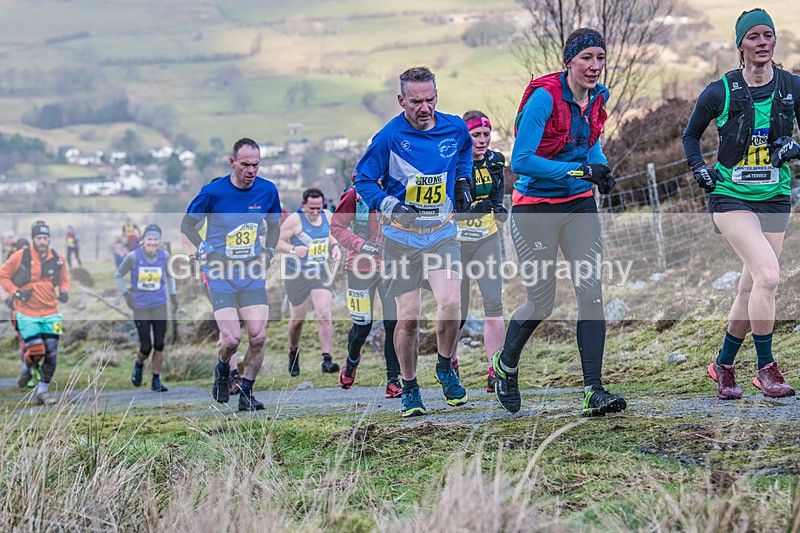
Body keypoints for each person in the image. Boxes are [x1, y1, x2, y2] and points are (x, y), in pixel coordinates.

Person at [493, 28, 626, 417]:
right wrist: (577, 170)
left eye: (600, 58)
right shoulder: (543, 98)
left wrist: (598, 168)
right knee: (542, 301)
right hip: (536, 207)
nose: (594, 66)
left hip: (579, 206)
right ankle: (506, 364)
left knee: (591, 290)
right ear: (568, 61)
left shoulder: (598, 96)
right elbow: (520, 162)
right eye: (586, 58)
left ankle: (593, 391)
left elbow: (590, 141)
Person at [682, 8, 800, 400]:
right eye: (754, 37)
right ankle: (766, 369)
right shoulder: (721, 91)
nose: (762, 42)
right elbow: (690, 136)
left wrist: (795, 147)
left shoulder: (792, 86)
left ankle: (724, 366)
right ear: (741, 46)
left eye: (768, 35)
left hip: (775, 196)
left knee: (751, 286)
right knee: (767, 275)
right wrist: (700, 168)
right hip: (731, 195)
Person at [354, 66, 473, 417]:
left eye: (431, 99)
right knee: (408, 319)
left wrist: (463, 182)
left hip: (441, 233)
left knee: (451, 301)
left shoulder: (455, 127)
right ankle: (409, 386)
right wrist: (392, 206)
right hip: (401, 239)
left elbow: (464, 152)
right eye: (417, 102)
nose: (425, 108)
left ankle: (445, 366)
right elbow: (363, 181)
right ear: (401, 100)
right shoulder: (388, 137)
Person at [181, 137, 282, 411]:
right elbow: (188, 225)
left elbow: (274, 227)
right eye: (246, 165)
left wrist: (269, 252)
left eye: (256, 165)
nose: (251, 171)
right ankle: (222, 368)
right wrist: (205, 249)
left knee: (258, 336)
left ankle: (247, 392)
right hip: (219, 274)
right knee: (231, 339)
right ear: (232, 163)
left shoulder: (267, 191)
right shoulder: (213, 192)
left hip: (251, 272)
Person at [331, 171, 402, 398]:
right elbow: (337, 228)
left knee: (393, 324)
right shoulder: (354, 193)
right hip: (359, 268)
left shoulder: (396, 188)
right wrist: (361, 245)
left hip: (390, 267)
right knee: (362, 326)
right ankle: (352, 360)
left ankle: (393, 380)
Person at [451, 110, 508, 393]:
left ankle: (495, 370)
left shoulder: (497, 160)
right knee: (456, 311)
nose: (482, 140)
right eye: (476, 135)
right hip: (456, 243)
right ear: (466, 136)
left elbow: (497, 197)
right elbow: (452, 208)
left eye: (486, 134)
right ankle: (449, 363)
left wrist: (499, 209)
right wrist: (478, 208)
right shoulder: (452, 164)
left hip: (487, 239)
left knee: (494, 306)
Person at [0, 221, 69, 405]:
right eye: (38, 238)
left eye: (45, 238)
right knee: (37, 351)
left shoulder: (58, 258)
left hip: (51, 312)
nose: (42, 241)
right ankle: (26, 368)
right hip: (26, 312)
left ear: (49, 239)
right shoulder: (19, 256)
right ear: (33, 239)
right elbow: (3, 275)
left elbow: (64, 279)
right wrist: (15, 292)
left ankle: (43, 392)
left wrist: (64, 291)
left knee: (52, 354)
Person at [276, 188, 342, 376]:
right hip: (296, 275)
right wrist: (293, 248)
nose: (315, 212)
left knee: (324, 313)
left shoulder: (327, 215)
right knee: (297, 321)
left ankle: (327, 360)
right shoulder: (294, 220)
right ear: (303, 205)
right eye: (311, 208)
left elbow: (332, 233)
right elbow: (276, 242)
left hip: (319, 272)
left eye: (318, 208)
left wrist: (335, 246)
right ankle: (293, 352)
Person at [115, 223, 177, 392]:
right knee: (146, 347)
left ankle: (156, 379)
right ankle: (139, 363)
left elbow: (171, 275)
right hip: (140, 306)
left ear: (160, 242)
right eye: (149, 238)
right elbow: (119, 275)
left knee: (159, 344)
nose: (153, 242)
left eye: (156, 239)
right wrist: (126, 295)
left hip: (159, 304)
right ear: (143, 240)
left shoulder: (164, 256)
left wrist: (173, 294)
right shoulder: (133, 257)